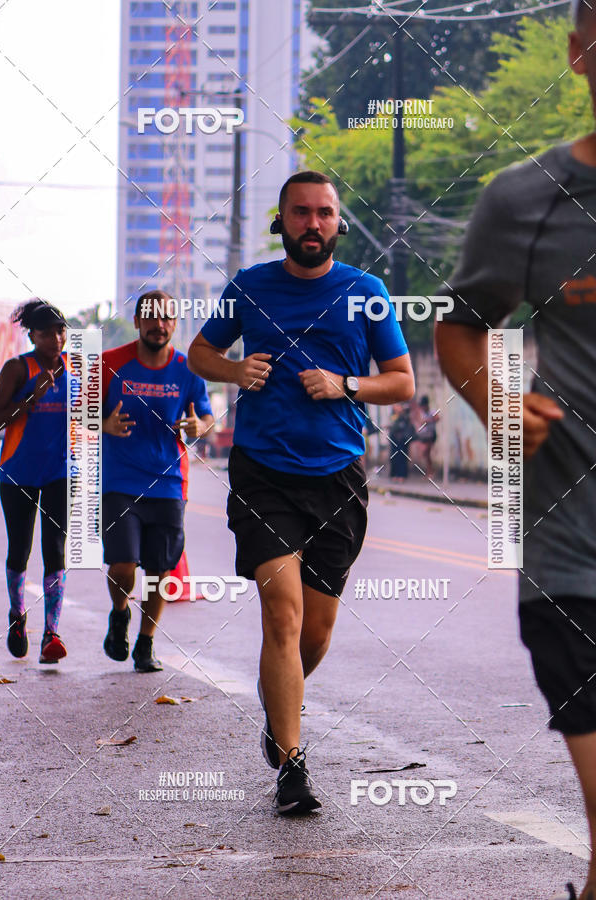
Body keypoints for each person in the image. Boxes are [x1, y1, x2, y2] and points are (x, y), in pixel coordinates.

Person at [188, 170, 414, 815]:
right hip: (262, 471)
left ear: (338, 222)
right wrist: (234, 369)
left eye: (324, 213)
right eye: (300, 213)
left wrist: (346, 384)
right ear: (281, 220)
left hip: (338, 476)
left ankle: (276, 708)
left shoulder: (366, 292)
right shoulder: (251, 286)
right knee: (281, 614)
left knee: (314, 631)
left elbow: (401, 383)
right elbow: (201, 353)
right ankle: (291, 764)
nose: (312, 223)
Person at [435, 3, 596, 896]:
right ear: (578, 54)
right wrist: (501, 402)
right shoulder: (526, 198)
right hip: (572, 536)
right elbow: (460, 328)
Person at [101, 290, 214, 672]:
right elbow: (78, 414)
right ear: (137, 322)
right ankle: (119, 614)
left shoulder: (188, 370)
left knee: (160, 570)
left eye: (166, 318)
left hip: (168, 483)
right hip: (119, 481)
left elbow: (208, 418)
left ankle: (146, 643)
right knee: (122, 565)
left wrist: (200, 426)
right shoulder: (109, 363)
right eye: (150, 317)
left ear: (174, 323)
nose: (158, 325)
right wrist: (103, 424)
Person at [0, 299, 68, 664]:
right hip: (17, 472)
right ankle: (17, 615)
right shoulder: (16, 368)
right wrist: (30, 397)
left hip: (60, 473)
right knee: (20, 549)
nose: (56, 338)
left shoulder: (77, 368)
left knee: (55, 549)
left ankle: (51, 633)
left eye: (61, 330)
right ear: (32, 335)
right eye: (47, 332)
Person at [413, 395, 440, 479]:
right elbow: (418, 421)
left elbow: (437, 418)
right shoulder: (422, 413)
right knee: (427, 455)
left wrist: (427, 421)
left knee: (425, 451)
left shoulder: (432, 412)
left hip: (431, 435)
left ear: (426, 405)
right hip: (424, 436)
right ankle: (429, 471)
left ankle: (431, 471)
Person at [388, 404, 416, 481]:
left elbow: (407, 426)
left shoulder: (405, 416)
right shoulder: (393, 416)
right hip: (394, 440)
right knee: (394, 457)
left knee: (402, 457)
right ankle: (394, 474)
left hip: (402, 440)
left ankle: (402, 475)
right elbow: (391, 426)